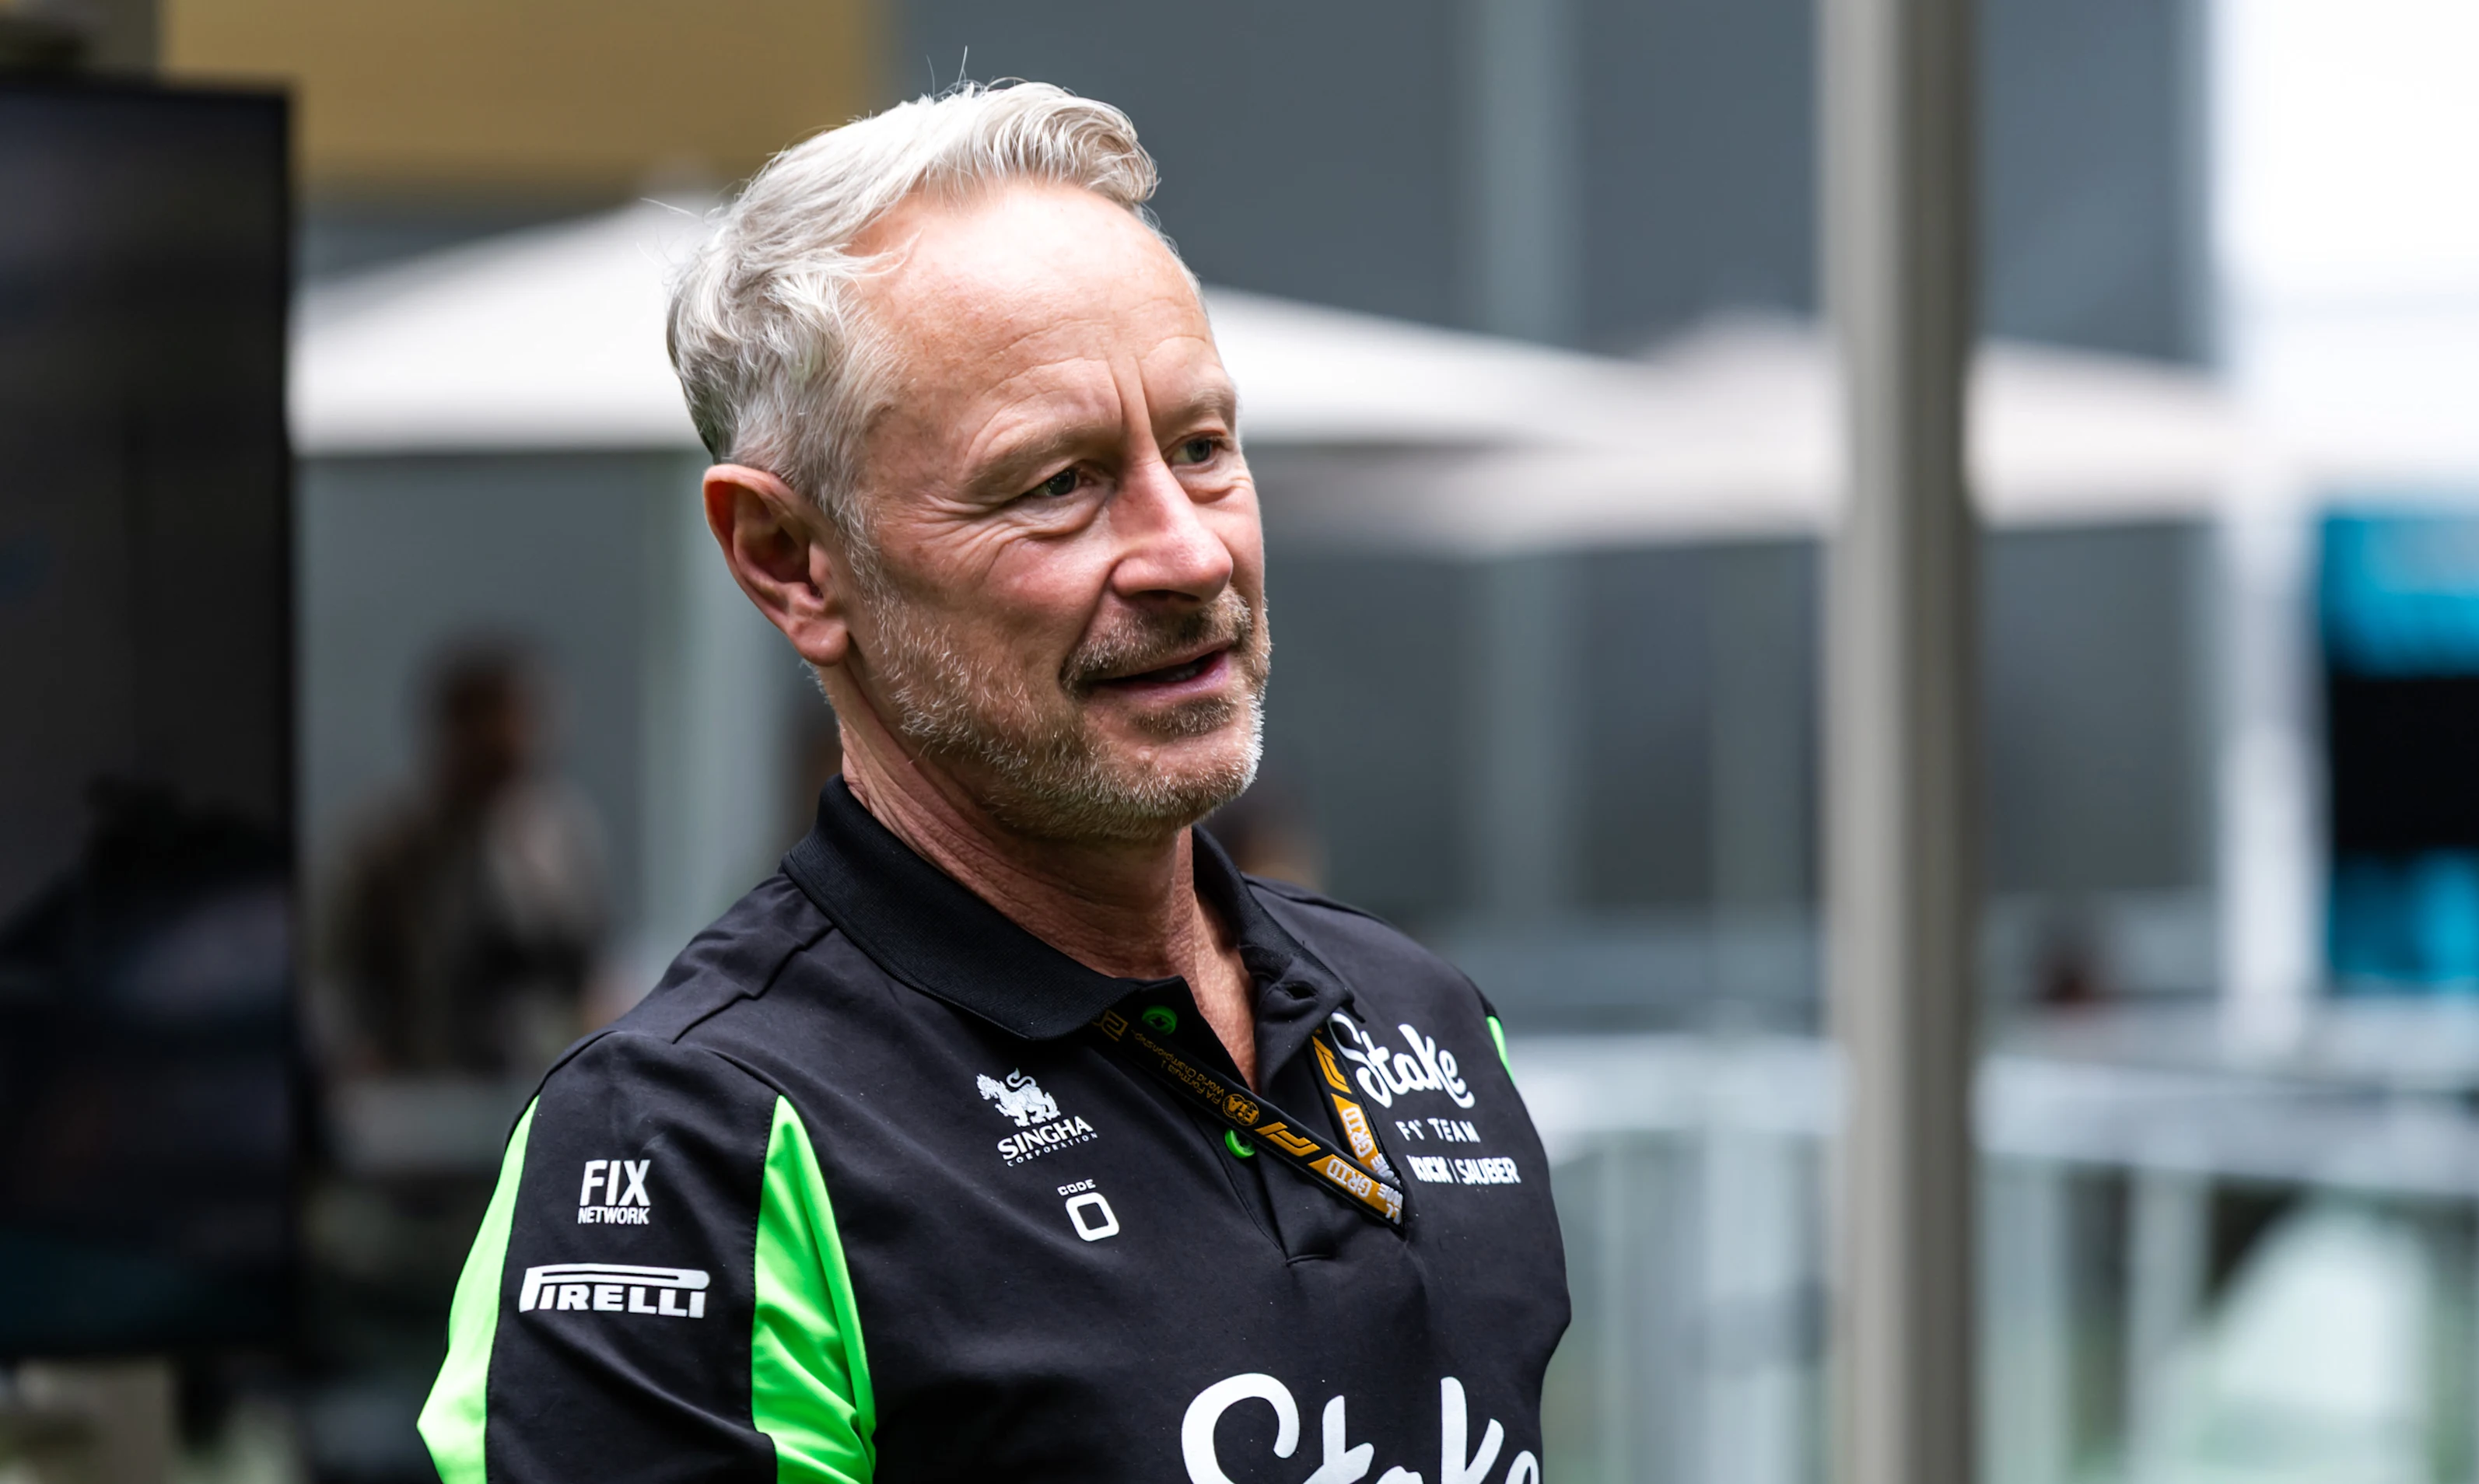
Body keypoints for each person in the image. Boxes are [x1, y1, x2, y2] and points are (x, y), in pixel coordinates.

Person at [419, 83, 1568, 1483]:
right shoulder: (693, 1138)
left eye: (1202, 447)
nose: (1188, 554)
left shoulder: (1426, 1018)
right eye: (1056, 483)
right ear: (791, 560)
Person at [323, 642, 607, 1081]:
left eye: (521, 720)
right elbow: (344, 983)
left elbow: (586, 968)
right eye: (490, 722)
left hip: (538, 1081)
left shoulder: (564, 840)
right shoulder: (387, 851)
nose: (509, 740)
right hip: (420, 1088)